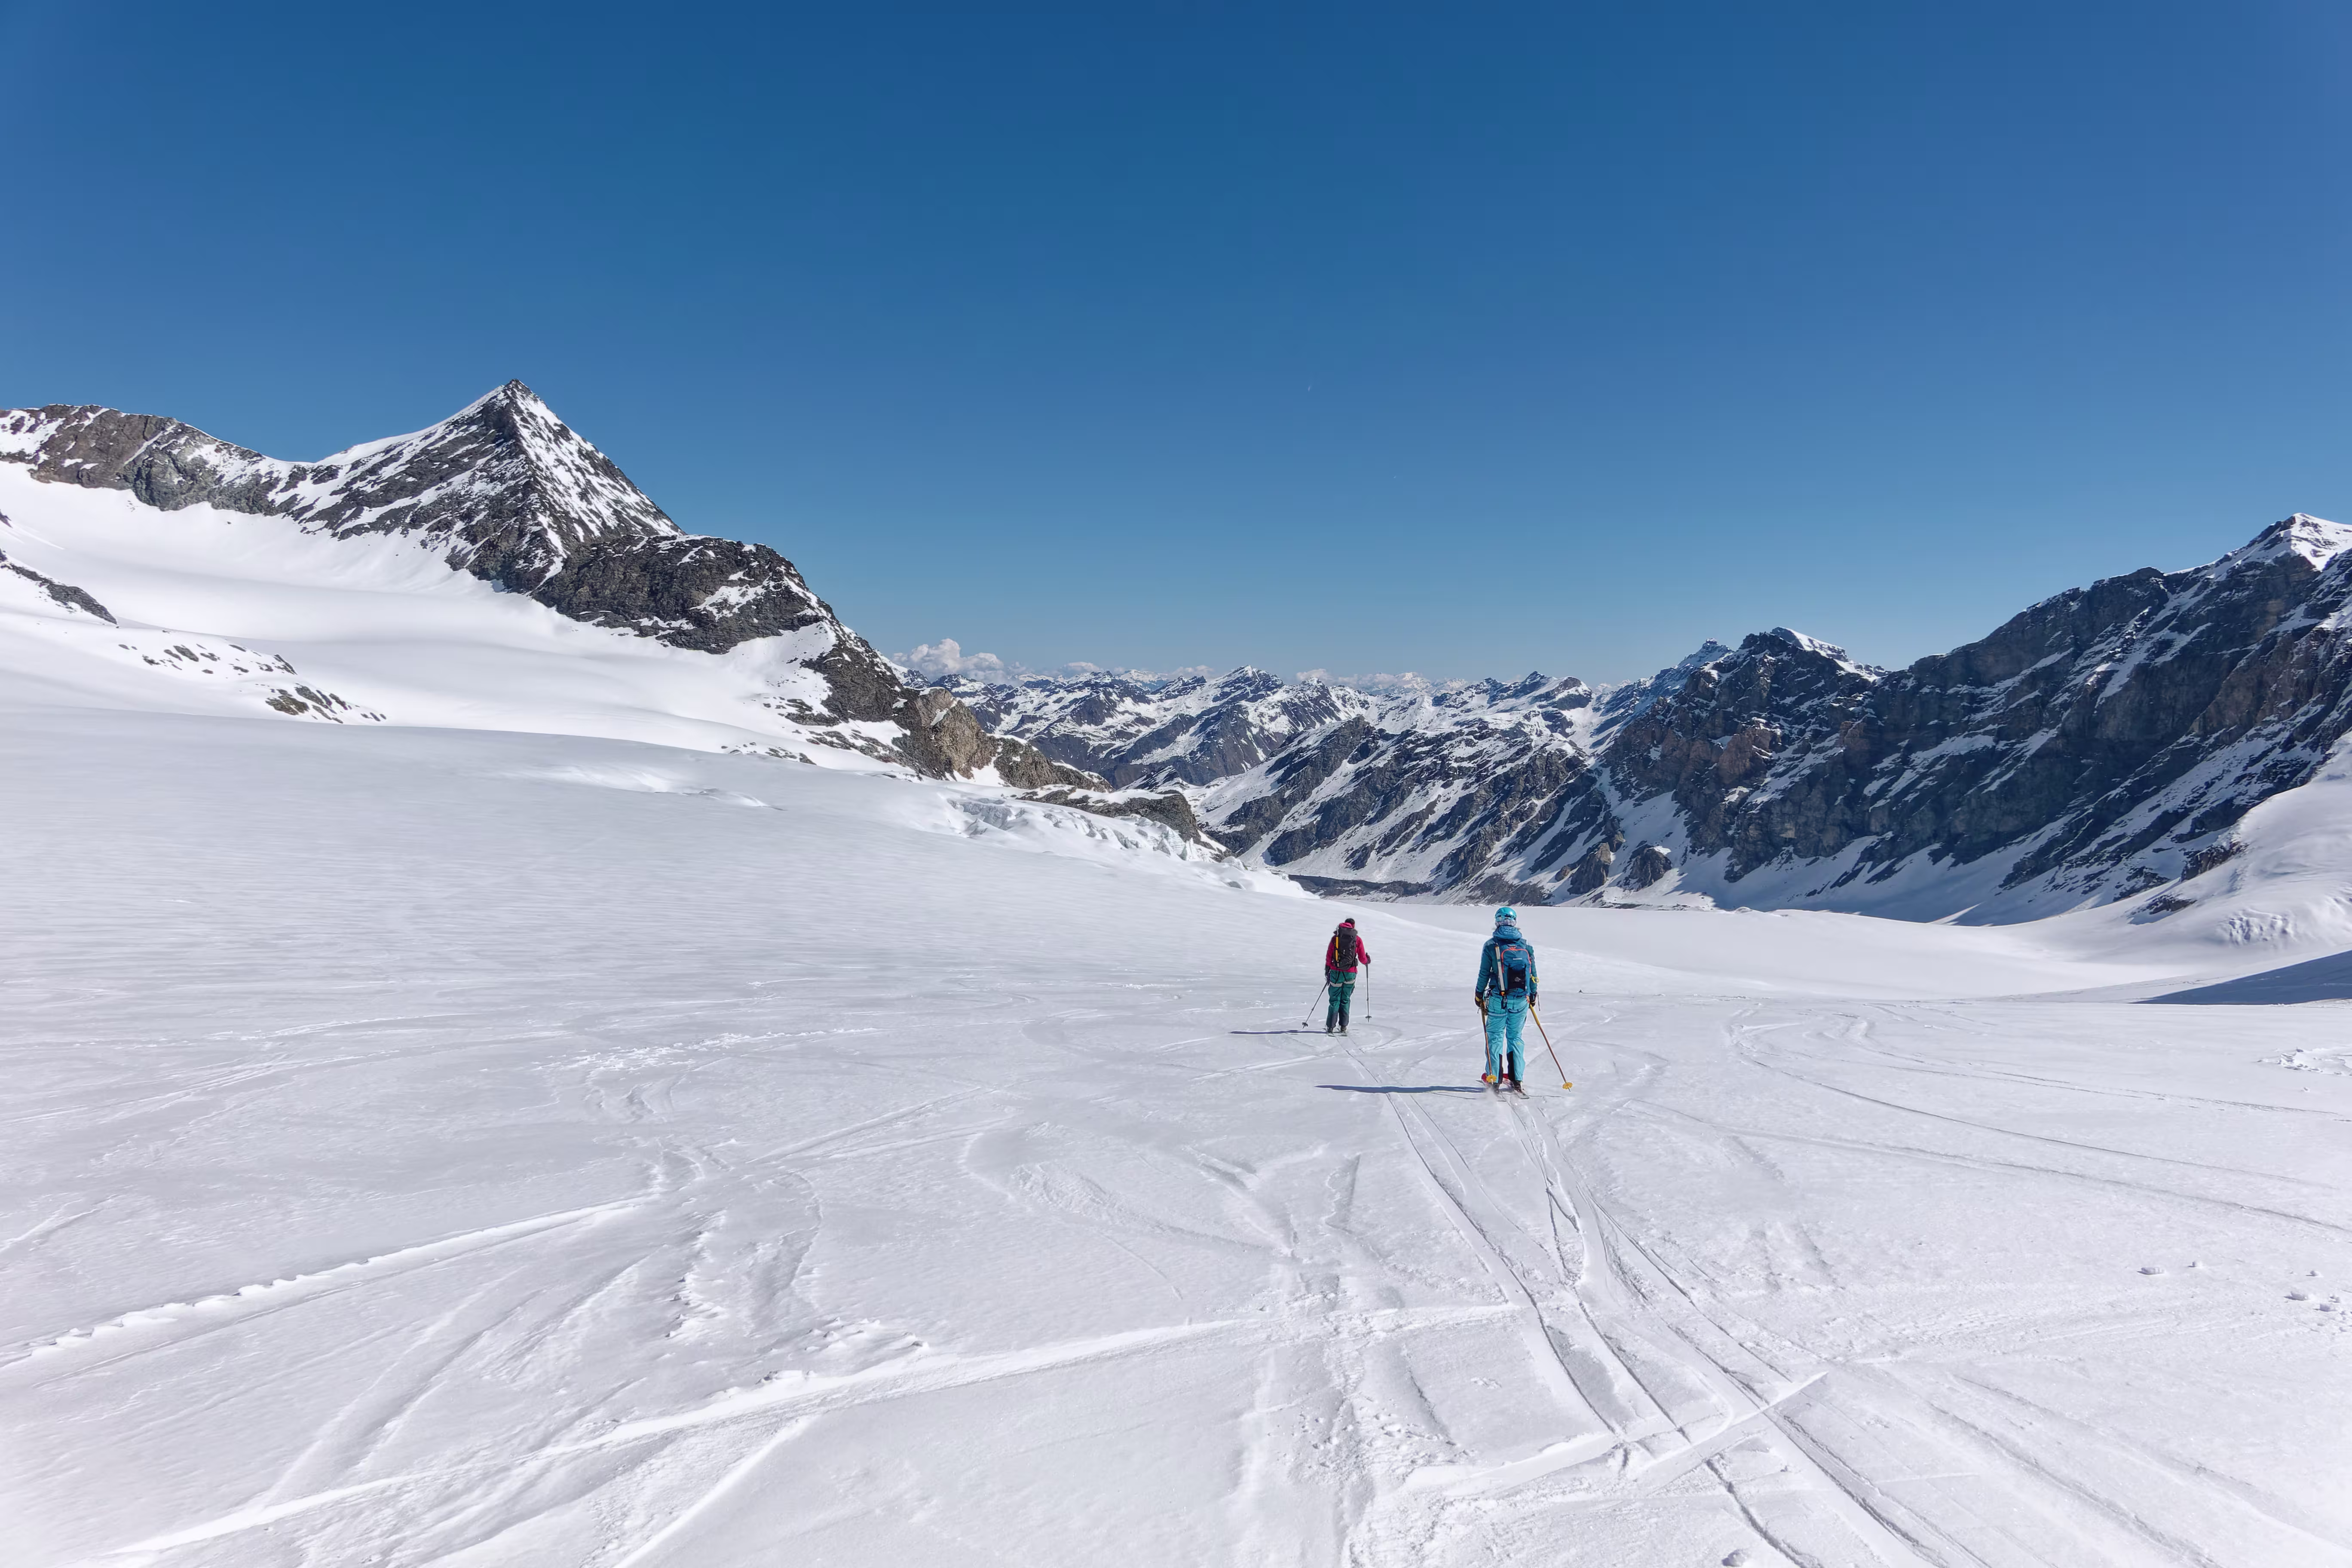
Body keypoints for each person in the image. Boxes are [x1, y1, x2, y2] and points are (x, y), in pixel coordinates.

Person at [1474, 906, 1538, 1090]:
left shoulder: (1491, 945)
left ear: (1497, 922)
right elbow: (1533, 974)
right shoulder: (1526, 947)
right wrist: (1532, 994)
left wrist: (1479, 994)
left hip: (1497, 999)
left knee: (1494, 1038)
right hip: (1521, 999)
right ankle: (1516, 1078)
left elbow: (1484, 973)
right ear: (1515, 922)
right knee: (1516, 1037)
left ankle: (1494, 1078)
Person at [1324, 918, 1369, 1035]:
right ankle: (1343, 1026)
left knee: (1335, 1000)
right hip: (1351, 973)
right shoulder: (1357, 939)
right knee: (1346, 999)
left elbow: (1330, 955)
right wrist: (1367, 961)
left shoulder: (1336, 939)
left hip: (1336, 972)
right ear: (1353, 926)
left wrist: (1328, 969)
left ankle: (1330, 1027)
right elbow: (1362, 958)